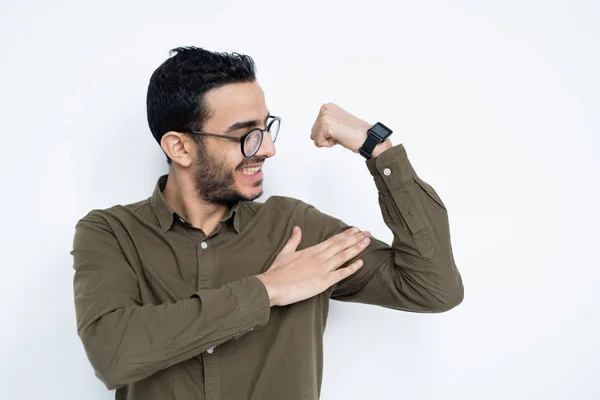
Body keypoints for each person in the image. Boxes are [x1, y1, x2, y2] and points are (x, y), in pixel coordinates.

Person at [71, 46, 464, 400]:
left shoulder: (297, 228)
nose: (269, 149)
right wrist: (268, 290)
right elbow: (113, 355)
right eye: (245, 135)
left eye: (265, 127)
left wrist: (378, 148)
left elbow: (432, 288)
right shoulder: (111, 233)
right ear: (179, 147)